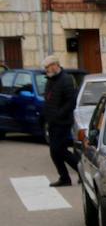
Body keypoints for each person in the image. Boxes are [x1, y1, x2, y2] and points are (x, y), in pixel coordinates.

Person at [41, 55, 78, 187]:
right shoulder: (50, 80)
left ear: (55, 65)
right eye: (45, 68)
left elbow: (71, 102)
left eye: (48, 67)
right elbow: (49, 99)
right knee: (58, 151)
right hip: (52, 122)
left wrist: (58, 114)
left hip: (62, 122)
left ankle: (72, 174)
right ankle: (67, 177)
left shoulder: (66, 79)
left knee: (58, 150)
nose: (46, 70)